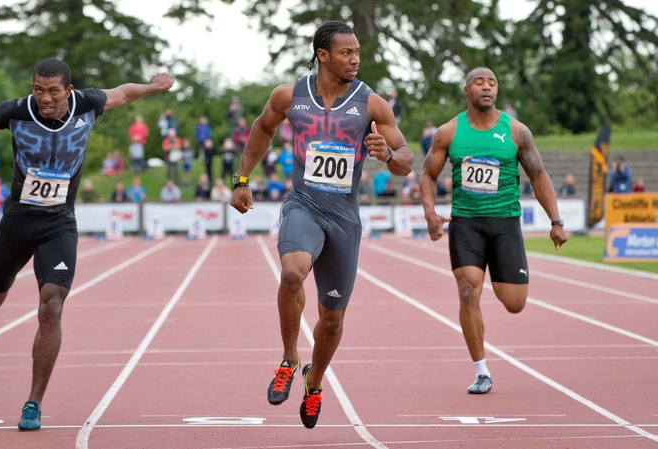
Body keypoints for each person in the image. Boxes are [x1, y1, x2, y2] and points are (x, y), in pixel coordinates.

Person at [0, 58, 172, 431]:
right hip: (17, 223)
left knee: (52, 304)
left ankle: (33, 403)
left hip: (58, 224)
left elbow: (123, 93)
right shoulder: (18, 111)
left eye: (53, 90)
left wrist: (154, 86)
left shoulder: (88, 104)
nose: (44, 97)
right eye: (38, 89)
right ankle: (6, 283)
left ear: (68, 91)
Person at [230, 21, 414, 429]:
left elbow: (405, 159)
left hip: (344, 218)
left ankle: (315, 383)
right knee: (292, 272)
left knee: (331, 318)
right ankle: (290, 357)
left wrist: (386, 154)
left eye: (358, 53)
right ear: (323, 55)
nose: (355, 60)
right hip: (304, 204)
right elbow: (262, 128)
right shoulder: (289, 95)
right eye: (347, 53)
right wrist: (242, 180)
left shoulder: (371, 104)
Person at [419, 66, 567, 396]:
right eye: (479, 83)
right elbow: (427, 176)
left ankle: (500, 275)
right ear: (466, 91)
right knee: (468, 290)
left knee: (514, 303)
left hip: (505, 224)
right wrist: (430, 213)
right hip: (466, 224)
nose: (487, 87)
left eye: (493, 83)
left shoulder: (516, 132)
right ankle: (481, 370)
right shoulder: (448, 132)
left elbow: (539, 175)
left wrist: (556, 222)